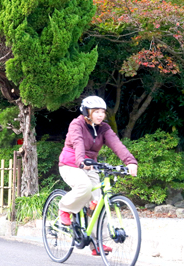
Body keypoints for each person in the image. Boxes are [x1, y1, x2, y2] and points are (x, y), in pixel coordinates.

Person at [57, 96, 139, 256]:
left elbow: (117, 145)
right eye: (96, 112)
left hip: (90, 166)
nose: (101, 115)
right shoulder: (77, 124)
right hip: (70, 164)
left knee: (97, 202)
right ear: (87, 112)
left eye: (102, 112)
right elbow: (78, 143)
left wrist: (130, 162)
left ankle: (97, 244)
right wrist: (81, 160)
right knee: (84, 187)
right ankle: (64, 208)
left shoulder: (104, 128)